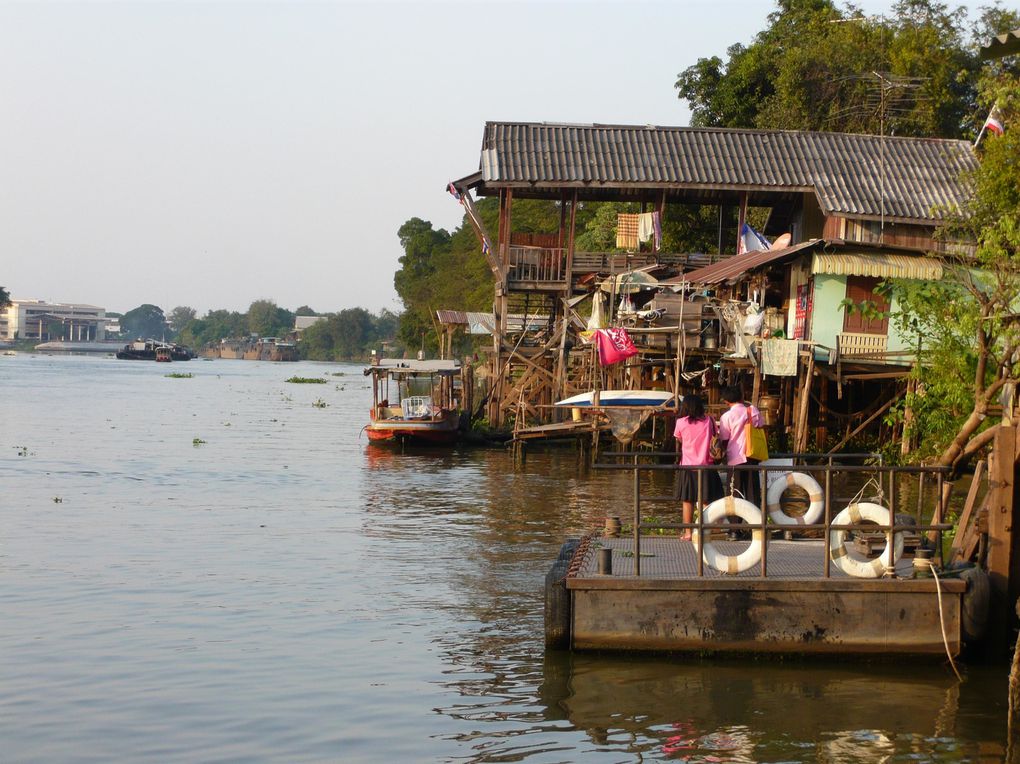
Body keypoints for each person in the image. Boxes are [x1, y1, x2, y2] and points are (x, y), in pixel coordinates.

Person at [673, 395, 722, 541]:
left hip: (687, 466)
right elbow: (716, 436)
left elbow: (679, 438)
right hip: (707, 465)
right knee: (706, 500)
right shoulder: (709, 420)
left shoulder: (680, 422)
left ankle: (688, 532)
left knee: (687, 501)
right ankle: (704, 530)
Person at [717, 384, 765, 506]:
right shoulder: (752, 410)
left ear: (726, 401)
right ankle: (755, 522)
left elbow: (724, 438)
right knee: (753, 491)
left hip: (734, 457)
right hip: (752, 455)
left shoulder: (726, 416)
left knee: (734, 493)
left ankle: (735, 523)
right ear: (741, 397)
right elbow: (760, 425)